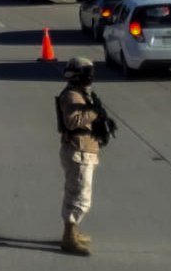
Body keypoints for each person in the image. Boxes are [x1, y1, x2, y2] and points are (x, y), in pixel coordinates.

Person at [56, 57, 101, 255]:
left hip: (84, 150)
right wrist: (94, 113)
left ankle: (73, 232)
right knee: (79, 196)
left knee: (77, 192)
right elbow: (73, 121)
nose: (91, 77)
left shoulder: (81, 93)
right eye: (87, 73)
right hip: (78, 150)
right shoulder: (73, 95)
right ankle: (69, 238)